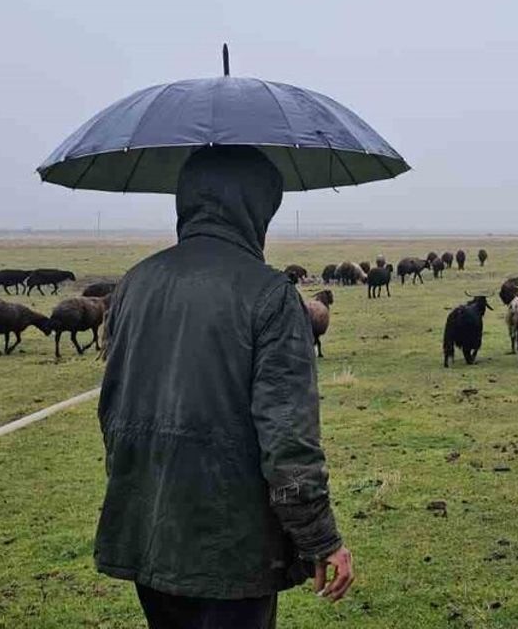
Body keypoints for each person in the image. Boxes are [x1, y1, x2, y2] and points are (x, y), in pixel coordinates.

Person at [95, 148, 352, 628]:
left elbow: (111, 413)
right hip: (231, 543)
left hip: (148, 526)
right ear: (258, 207)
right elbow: (288, 439)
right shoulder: (271, 296)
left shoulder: (135, 283)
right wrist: (321, 539)